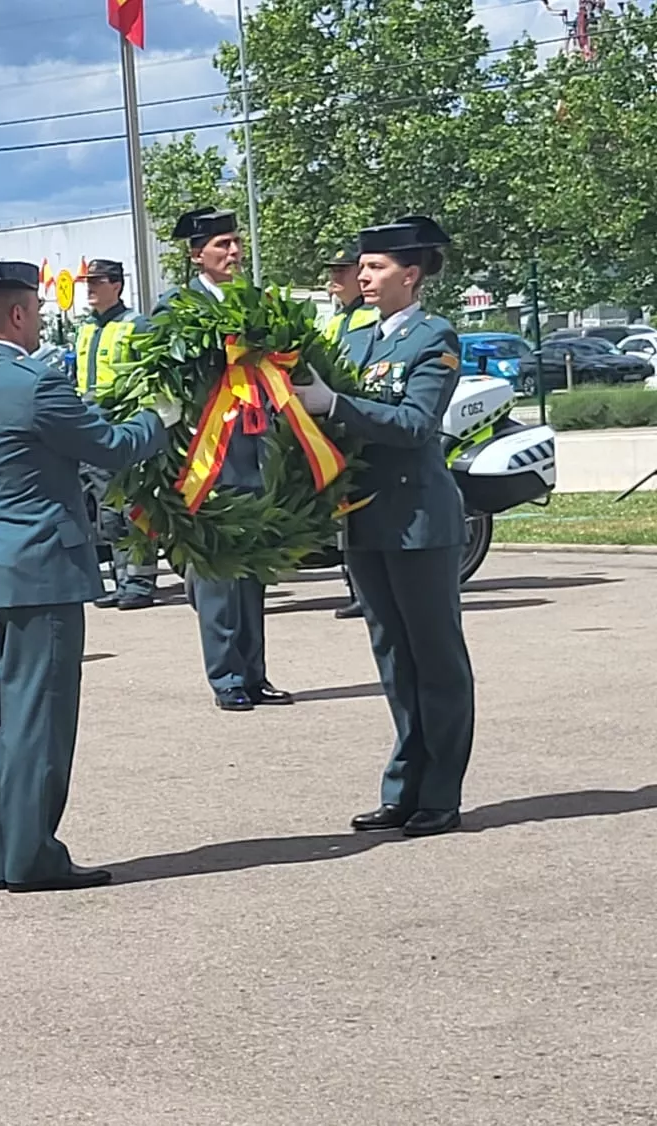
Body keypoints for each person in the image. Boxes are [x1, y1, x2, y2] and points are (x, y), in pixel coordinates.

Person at [0, 257, 182, 893]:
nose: (41, 323)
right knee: (38, 720)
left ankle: (7, 854)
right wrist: (160, 417)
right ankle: (33, 859)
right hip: (41, 567)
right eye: (38, 312)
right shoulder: (34, 383)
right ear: (19, 314)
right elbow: (110, 445)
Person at [291, 216, 476, 838]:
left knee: (435, 657)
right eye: (363, 267)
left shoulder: (434, 336)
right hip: (365, 519)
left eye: (374, 267)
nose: (362, 277)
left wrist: (336, 405)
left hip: (418, 519)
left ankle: (440, 792)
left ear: (411, 274)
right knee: (393, 657)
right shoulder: (359, 339)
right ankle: (402, 787)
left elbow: (416, 423)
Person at [159, 207, 291, 713]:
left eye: (236, 243)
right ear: (197, 255)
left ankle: (255, 673)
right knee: (217, 574)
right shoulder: (177, 307)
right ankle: (226, 676)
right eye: (221, 246)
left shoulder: (252, 303)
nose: (233, 253)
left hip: (255, 448)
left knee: (253, 570)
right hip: (207, 454)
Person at [74, 259, 159, 611]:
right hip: (92, 428)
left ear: (117, 286)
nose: (90, 289)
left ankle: (140, 580)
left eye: (97, 282)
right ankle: (121, 578)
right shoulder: (86, 329)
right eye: (87, 283)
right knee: (106, 509)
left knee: (133, 506)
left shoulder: (136, 325)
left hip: (124, 426)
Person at [321, 240, 383, 621]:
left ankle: (364, 590)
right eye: (333, 272)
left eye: (341, 272)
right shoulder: (335, 320)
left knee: (360, 508)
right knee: (345, 510)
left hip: (360, 417)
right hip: (334, 423)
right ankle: (355, 585)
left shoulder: (372, 318)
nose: (334, 279)